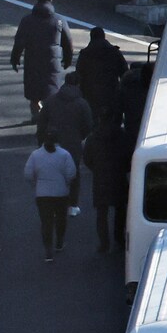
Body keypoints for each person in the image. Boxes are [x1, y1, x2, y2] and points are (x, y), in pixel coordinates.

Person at [10, 0, 73, 122]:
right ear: (51, 1)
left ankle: (36, 115)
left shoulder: (27, 20)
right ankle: (50, 117)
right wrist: (67, 59)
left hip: (32, 59)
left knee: (34, 89)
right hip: (52, 60)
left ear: (37, 1)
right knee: (51, 88)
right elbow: (67, 43)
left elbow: (19, 42)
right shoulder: (59, 20)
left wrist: (15, 59)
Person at [36, 72, 93, 214]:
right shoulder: (82, 103)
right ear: (78, 85)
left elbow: (42, 123)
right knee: (73, 173)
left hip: (53, 143)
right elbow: (88, 125)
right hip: (73, 144)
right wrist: (80, 136)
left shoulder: (50, 101)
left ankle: (54, 203)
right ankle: (72, 205)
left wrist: (41, 141)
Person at [23, 132, 77, 260]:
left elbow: (28, 174)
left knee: (46, 222)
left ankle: (48, 249)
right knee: (61, 219)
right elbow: (71, 173)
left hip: (43, 194)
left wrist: (35, 184)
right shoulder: (64, 154)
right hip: (61, 193)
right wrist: (66, 183)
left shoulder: (35, 155)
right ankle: (59, 242)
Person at [82, 113, 130, 253]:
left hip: (101, 179)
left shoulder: (93, 138)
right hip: (118, 177)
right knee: (120, 211)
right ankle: (119, 238)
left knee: (101, 213)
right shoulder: (122, 137)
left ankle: (104, 243)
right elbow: (128, 156)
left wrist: (96, 169)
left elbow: (87, 158)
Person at [74, 26, 129, 120]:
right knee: (111, 120)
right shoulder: (114, 52)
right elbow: (125, 72)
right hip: (111, 91)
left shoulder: (85, 54)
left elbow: (79, 75)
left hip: (90, 93)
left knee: (93, 120)